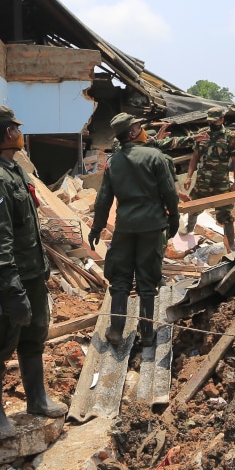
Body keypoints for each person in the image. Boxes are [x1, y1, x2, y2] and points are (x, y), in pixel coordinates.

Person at [0, 106, 67, 440]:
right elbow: (0, 244)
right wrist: (13, 290)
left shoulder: (15, 171)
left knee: (34, 338)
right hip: (7, 281)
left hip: (31, 275)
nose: (21, 133)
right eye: (17, 129)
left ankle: (37, 400)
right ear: (8, 133)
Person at [90, 115, 180, 349]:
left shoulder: (113, 162)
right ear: (131, 134)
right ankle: (147, 334)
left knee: (120, 277)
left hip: (125, 227)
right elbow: (170, 193)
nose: (143, 130)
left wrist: (97, 227)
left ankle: (116, 331)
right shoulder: (156, 157)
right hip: (152, 227)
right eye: (139, 127)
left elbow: (103, 200)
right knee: (147, 280)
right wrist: (174, 218)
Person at [186, 106, 235, 252]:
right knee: (193, 209)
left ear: (222, 120)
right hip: (202, 181)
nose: (211, 124)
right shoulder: (201, 135)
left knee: (225, 215)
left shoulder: (230, 137)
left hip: (221, 184)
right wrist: (188, 177)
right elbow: (195, 157)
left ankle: (231, 248)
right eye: (210, 121)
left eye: (215, 121)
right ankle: (187, 238)